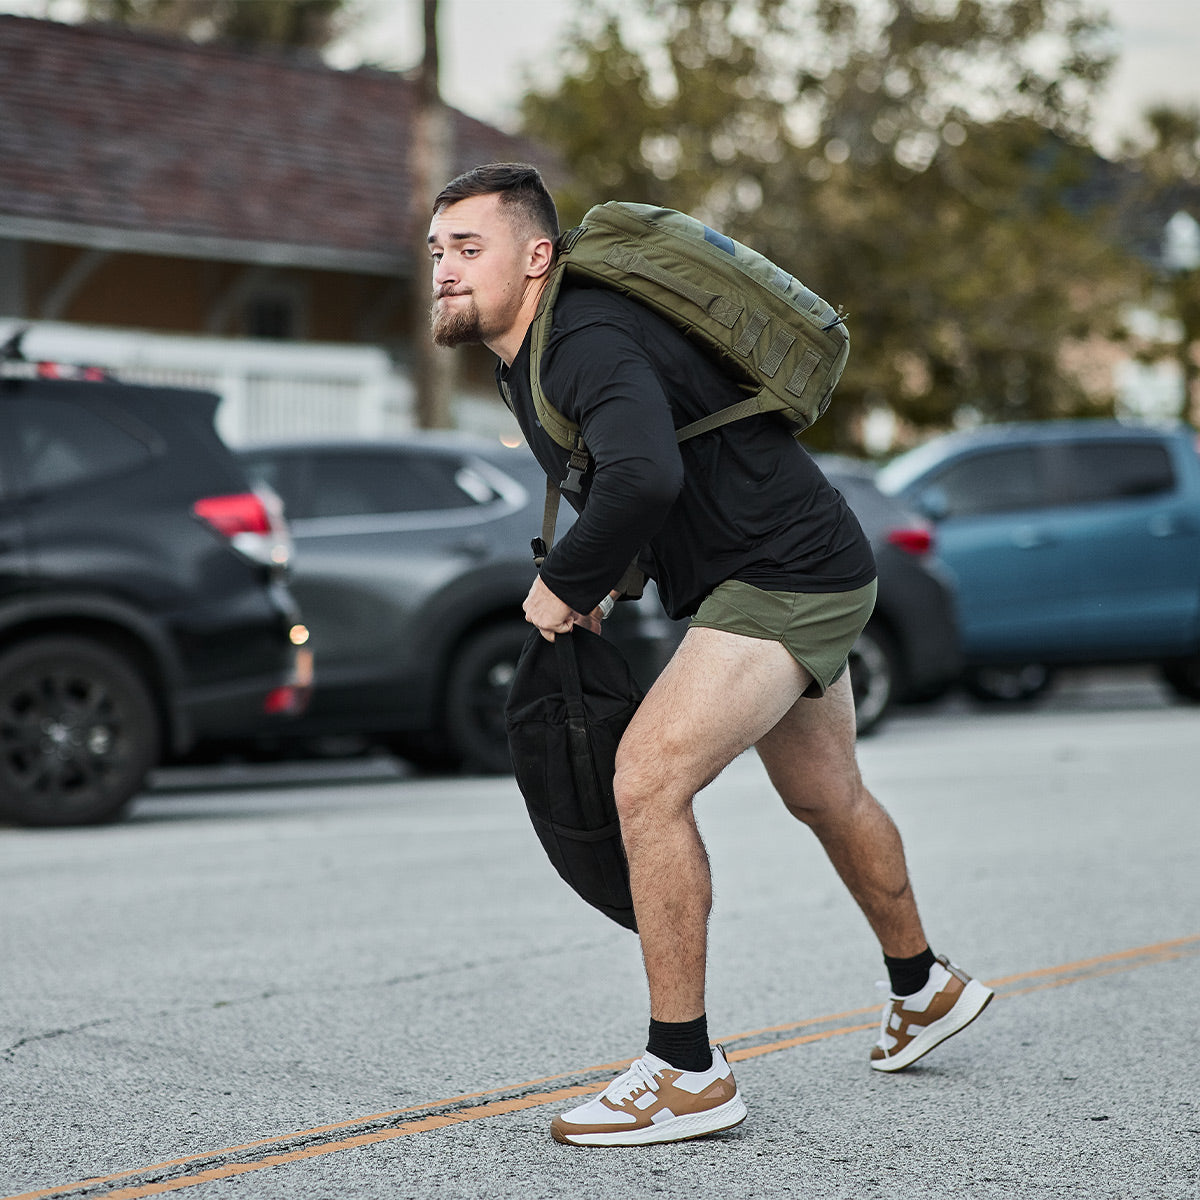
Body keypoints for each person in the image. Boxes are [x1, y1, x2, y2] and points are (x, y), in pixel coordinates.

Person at [428, 162, 992, 1148]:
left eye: (469, 249)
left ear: (536, 256)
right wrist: (609, 576)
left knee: (645, 778)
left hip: (784, 574)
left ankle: (684, 1069)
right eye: (436, 251)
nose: (445, 269)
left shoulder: (583, 337)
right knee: (825, 792)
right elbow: (644, 467)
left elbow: (645, 473)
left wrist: (563, 581)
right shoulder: (531, 350)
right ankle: (926, 986)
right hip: (796, 557)